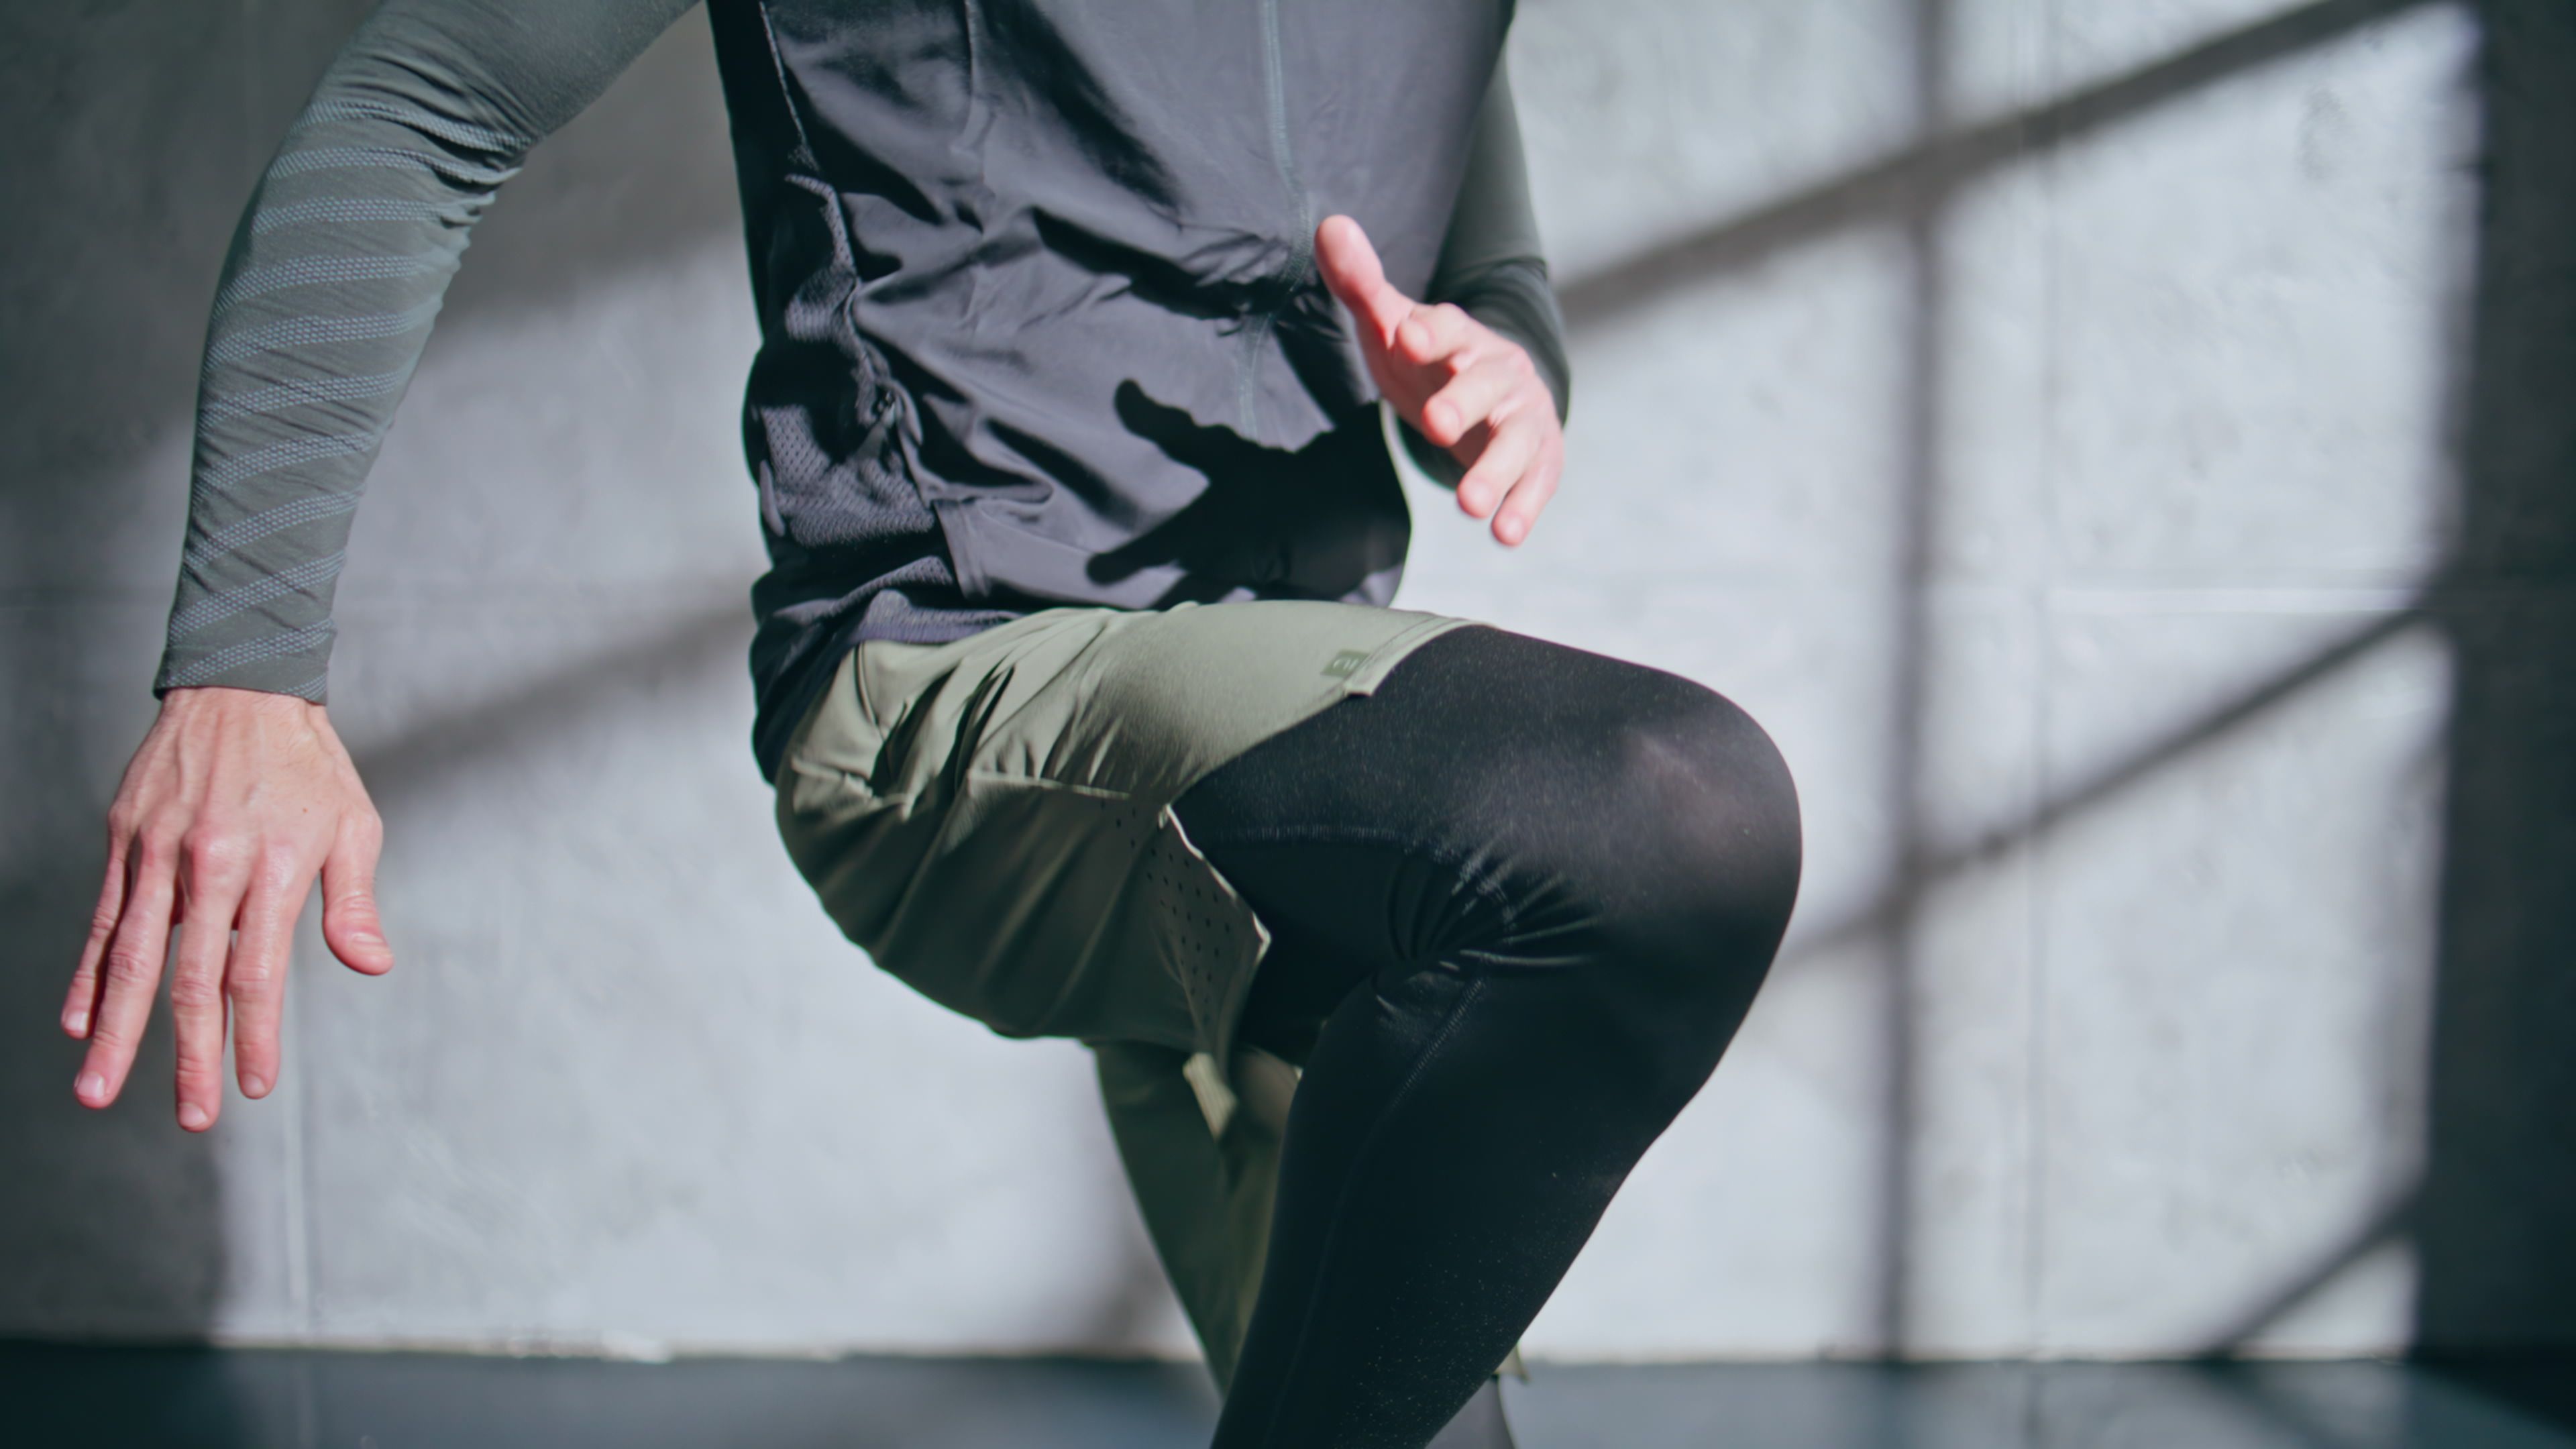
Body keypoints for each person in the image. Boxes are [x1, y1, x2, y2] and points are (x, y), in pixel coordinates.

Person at [58, 1, 1803, 1444]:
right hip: (960, 697)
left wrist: (1501, 371)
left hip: (1310, 788)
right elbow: (424, 102)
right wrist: (244, 661)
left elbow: (1491, 266)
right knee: (1666, 811)